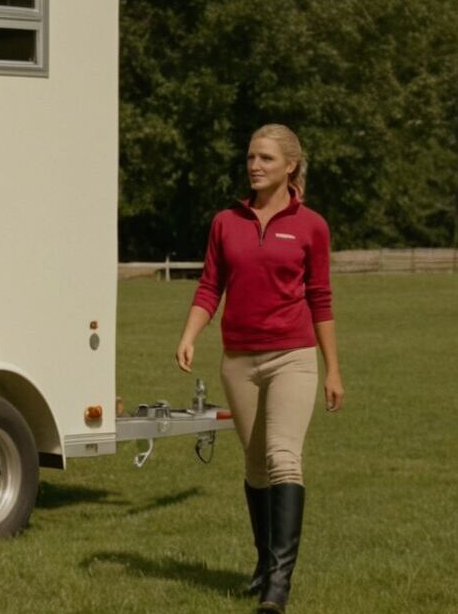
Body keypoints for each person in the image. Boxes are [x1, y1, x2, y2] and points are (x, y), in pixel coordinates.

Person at [175, 124, 344, 614]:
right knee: (255, 464)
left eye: (266, 158)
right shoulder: (226, 221)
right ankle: (263, 564)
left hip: (293, 356)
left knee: (283, 458)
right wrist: (189, 335)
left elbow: (321, 298)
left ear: (290, 166)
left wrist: (332, 369)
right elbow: (210, 286)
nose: (254, 165)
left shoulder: (311, 225)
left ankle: (279, 585)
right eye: (251, 156)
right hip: (239, 362)